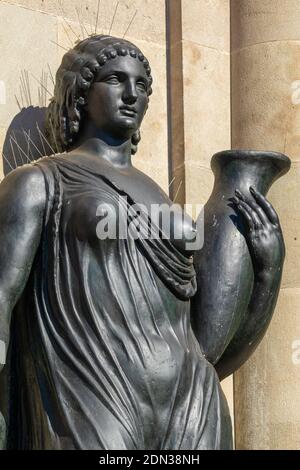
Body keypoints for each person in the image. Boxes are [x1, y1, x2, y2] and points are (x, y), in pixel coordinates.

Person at [0, 35, 285, 449]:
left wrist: (268, 272)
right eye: (116, 79)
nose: (133, 94)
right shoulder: (39, 182)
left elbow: (211, 345)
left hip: (193, 402)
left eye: (143, 85)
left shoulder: (166, 203)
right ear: (81, 90)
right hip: (93, 389)